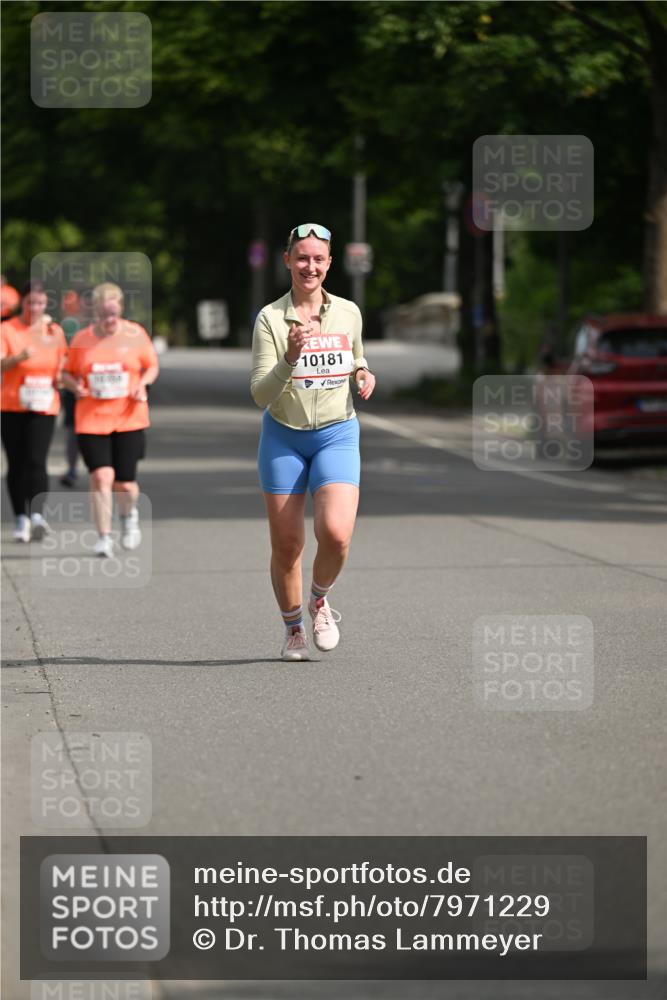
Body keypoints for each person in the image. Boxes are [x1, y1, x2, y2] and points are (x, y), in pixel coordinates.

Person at [251, 223, 376, 661]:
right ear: (287, 261)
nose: (310, 266)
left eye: (318, 259)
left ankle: (320, 600)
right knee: (288, 546)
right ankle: (292, 629)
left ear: (329, 264)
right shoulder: (270, 318)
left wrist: (362, 373)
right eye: (301, 258)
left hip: (337, 433)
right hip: (284, 437)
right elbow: (260, 395)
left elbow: (356, 357)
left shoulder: (348, 312)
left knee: (337, 534)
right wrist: (289, 357)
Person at [61, 282, 159, 558]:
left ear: (120, 310)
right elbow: (66, 373)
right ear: (96, 313)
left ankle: (129, 517)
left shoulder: (135, 334)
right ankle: (104, 536)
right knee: (101, 477)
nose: (109, 320)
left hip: (129, 418)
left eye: (114, 314)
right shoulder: (82, 339)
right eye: (104, 315)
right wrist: (74, 386)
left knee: (125, 484)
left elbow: (151, 366)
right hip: (92, 419)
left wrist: (143, 384)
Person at [1, 280, 67, 541]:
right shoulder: (7, 329)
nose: (35, 308)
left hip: (44, 405)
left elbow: (63, 366)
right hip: (11, 405)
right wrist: (17, 358)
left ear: (46, 304)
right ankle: (20, 518)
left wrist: (65, 380)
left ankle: (37, 515)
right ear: (22, 303)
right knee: (17, 463)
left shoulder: (54, 332)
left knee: (37, 460)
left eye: (39, 303)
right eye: (30, 303)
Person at [58, 290, 83, 487]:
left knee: (74, 429)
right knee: (73, 429)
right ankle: (73, 468)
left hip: (83, 385)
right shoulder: (67, 326)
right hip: (74, 385)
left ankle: (74, 469)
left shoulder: (72, 325)